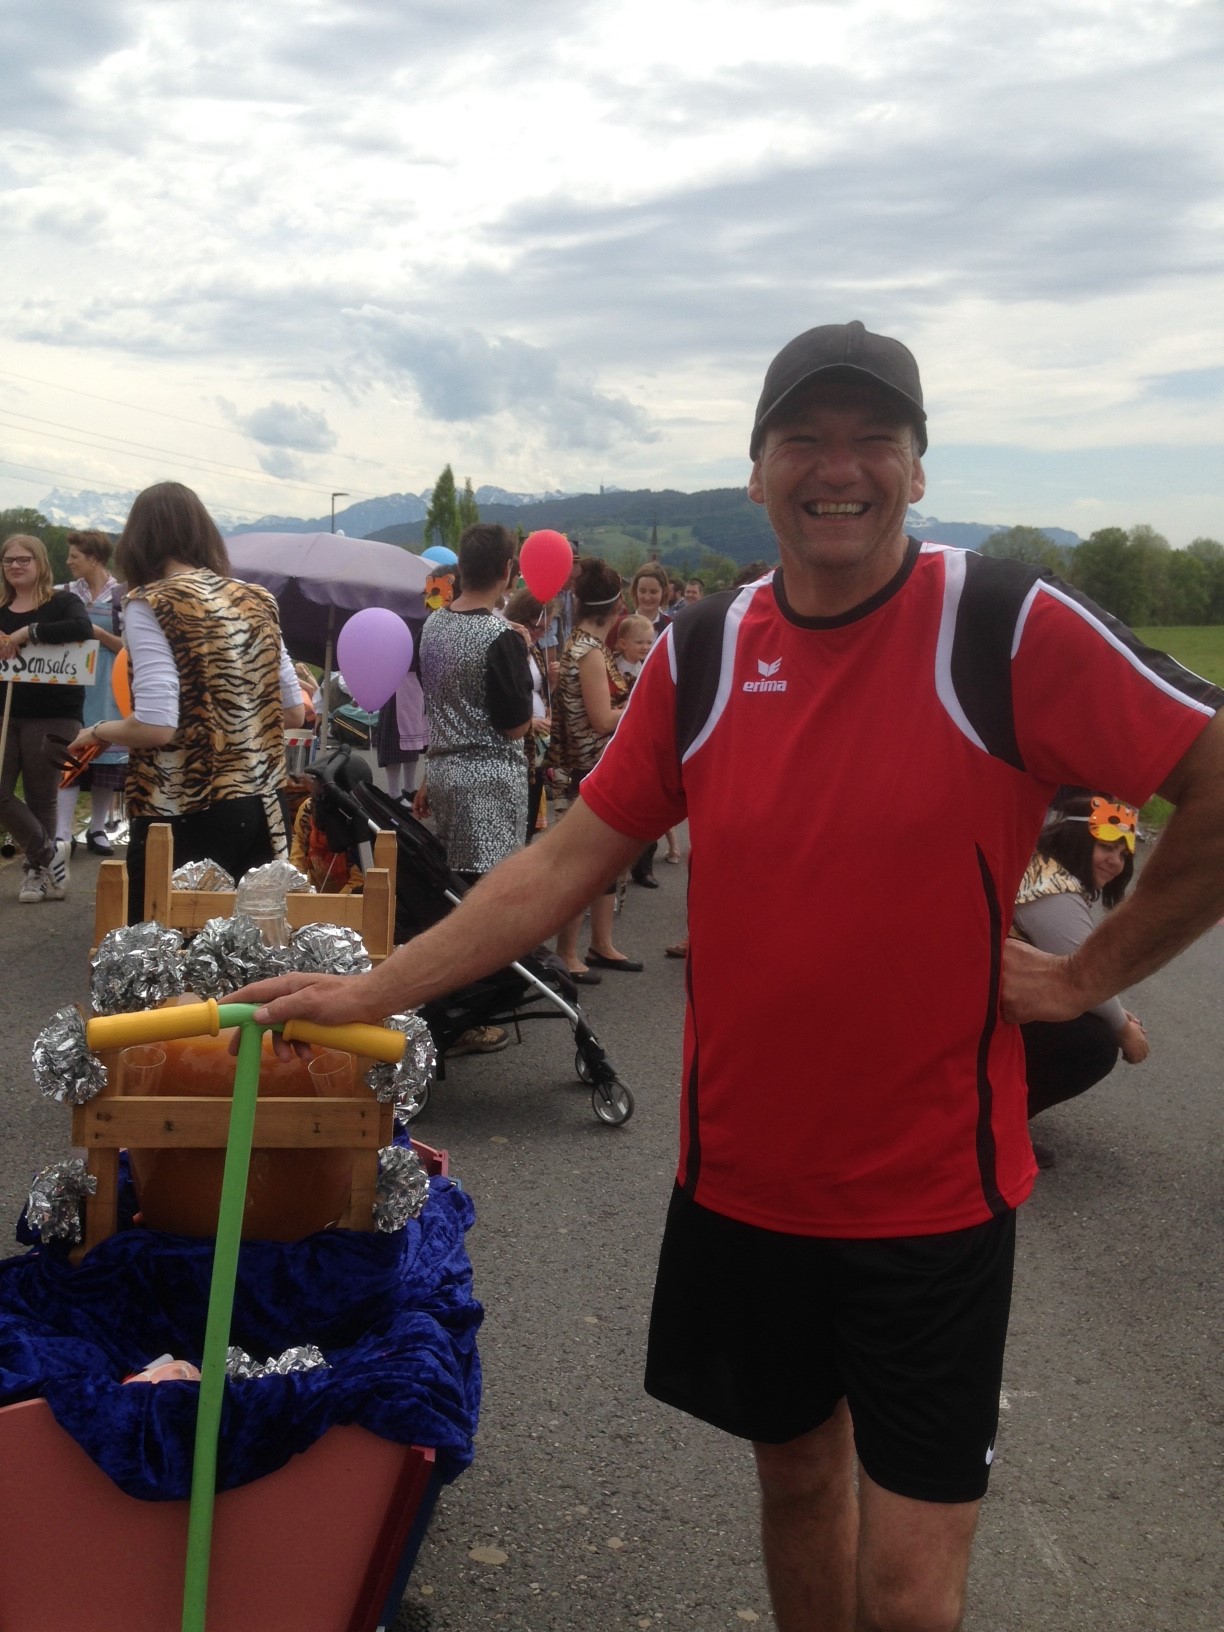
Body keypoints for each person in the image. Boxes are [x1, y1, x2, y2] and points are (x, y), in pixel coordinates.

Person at [233, 321, 1224, 1632]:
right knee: (796, 1480)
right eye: (804, 438)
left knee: (912, 1594)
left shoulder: (999, 621)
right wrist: (377, 987)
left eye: (874, 438)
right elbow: (570, 856)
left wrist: (1087, 971)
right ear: (757, 471)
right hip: (745, 1180)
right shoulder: (702, 649)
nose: (839, 467)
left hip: (933, 1195)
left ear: (919, 470)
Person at [67, 482, 305, 922]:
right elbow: (293, 710)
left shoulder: (151, 602)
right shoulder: (257, 599)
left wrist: (97, 732)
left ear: (140, 538)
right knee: (251, 949)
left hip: (183, 810)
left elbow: (156, 726)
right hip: (264, 808)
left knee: (169, 951)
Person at [414, 523, 533, 1056]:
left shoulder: (433, 625)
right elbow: (513, 726)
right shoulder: (500, 636)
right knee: (487, 902)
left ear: (460, 567)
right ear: (508, 571)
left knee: (454, 895)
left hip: (444, 771)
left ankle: (460, 1000)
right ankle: (470, 1010)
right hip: (489, 782)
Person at [1013, 795, 1149, 1143]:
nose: (1115, 862)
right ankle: (993, 1129)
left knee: (1090, 1017)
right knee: (1095, 1043)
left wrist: (1116, 1012)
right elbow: (1085, 976)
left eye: (1123, 854)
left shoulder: (1044, 869)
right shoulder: (1053, 890)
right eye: (1106, 847)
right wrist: (1124, 1029)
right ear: (1078, 840)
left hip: (975, 1000)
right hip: (977, 1013)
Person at [547, 556, 637, 980]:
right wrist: (640, 703)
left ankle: (601, 943)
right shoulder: (589, 652)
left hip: (594, 766)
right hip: (587, 769)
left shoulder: (584, 645)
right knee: (583, 866)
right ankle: (568, 953)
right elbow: (601, 719)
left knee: (606, 863)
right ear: (618, 607)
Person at [0, 533, 92, 902]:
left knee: (41, 796)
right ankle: (49, 853)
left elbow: (82, 630)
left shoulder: (63, 602)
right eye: (8, 560)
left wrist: (28, 632)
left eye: (24, 559)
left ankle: (35, 874)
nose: (15, 565)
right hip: (5, 712)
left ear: (40, 563)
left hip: (54, 712)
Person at [57, 530, 127, 855]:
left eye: (75, 556)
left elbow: (129, 647)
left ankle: (97, 828)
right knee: (68, 754)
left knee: (104, 760)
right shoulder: (63, 593)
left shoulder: (121, 597)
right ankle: (62, 832)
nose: (69, 561)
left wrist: (98, 633)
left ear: (94, 559)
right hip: (71, 684)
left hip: (107, 685)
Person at [504, 585, 553, 843]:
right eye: (538, 627)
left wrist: (552, 681)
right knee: (517, 818)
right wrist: (530, 721)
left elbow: (537, 690)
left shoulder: (533, 648)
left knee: (530, 813)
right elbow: (505, 700)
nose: (541, 633)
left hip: (537, 744)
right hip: (519, 742)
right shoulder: (509, 647)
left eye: (546, 628)